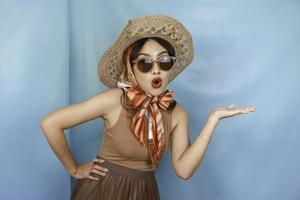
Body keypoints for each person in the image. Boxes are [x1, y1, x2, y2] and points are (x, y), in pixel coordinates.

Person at [40, 14, 256, 200]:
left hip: (144, 192)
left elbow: (183, 170)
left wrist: (213, 120)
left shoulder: (177, 112)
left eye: (164, 62)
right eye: (145, 63)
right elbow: (51, 123)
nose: (156, 70)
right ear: (131, 69)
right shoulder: (115, 99)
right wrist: (75, 169)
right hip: (103, 190)